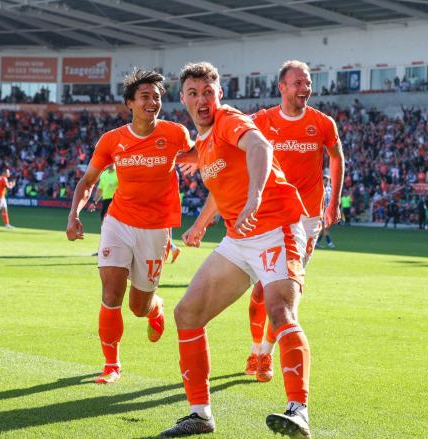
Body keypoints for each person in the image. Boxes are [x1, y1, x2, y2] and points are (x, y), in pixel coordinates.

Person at [160, 62, 310, 438]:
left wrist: (255, 196)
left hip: (276, 227)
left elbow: (259, 145)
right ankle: (200, 414)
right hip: (239, 238)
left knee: (280, 311)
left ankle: (298, 410)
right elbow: (222, 185)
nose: (202, 100)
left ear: (219, 95)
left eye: (208, 92)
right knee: (187, 313)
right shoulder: (207, 142)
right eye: (193, 94)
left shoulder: (228, 120)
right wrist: (200, 223)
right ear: (183, 99)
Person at [66, 69, 192, 385]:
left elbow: (203, 155)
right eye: (146, 96)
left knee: (138, 307)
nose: (153, 102)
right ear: (130, 104)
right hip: (118, 222)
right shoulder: (112, 140)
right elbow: (87, 181)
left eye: (157, 97)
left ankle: (155, 307)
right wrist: (74, 215)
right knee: (111, 293)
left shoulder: (175, 133)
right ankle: (111, 365)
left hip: (155, 229)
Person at [243, 60, 344, 384]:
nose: (305, 88)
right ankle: (256, 348)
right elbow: (236, 147)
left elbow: (337, 157)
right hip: (270, 215)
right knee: (260, 290)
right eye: (298, 83)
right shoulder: (262, 120)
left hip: (307, 220)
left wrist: (332, 203)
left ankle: (266, 354)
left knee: (282, 290)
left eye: (308, 82)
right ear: (282, 88)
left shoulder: (323, 123)